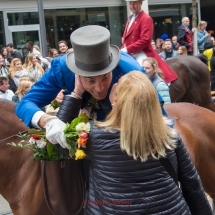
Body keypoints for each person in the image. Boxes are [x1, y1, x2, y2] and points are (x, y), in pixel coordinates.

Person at [47, 71, 213, 215]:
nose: (114, 82)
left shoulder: (94, 137)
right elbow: (192, 185)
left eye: (118, 84)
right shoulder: (170, 135)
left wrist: (76, 93)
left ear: (116, 102)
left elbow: (58, 142)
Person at [15, 25, 148, 129]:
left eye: (105, 77)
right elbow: (25, 104)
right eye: (91, 80)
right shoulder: (62, 69)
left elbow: (155, 115)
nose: (100, 88)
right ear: (77, 73)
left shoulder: (132, 70)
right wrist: (48, 122)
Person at [120, 0, 178, 83]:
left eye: (135, 3)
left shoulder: (146, 18)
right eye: (130, 3)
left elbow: (145, 40)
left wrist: (126, 49)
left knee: (141, 72)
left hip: (142, 53)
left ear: (141, 3)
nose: (132, 6)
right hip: (129, 53)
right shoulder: (130, 19)